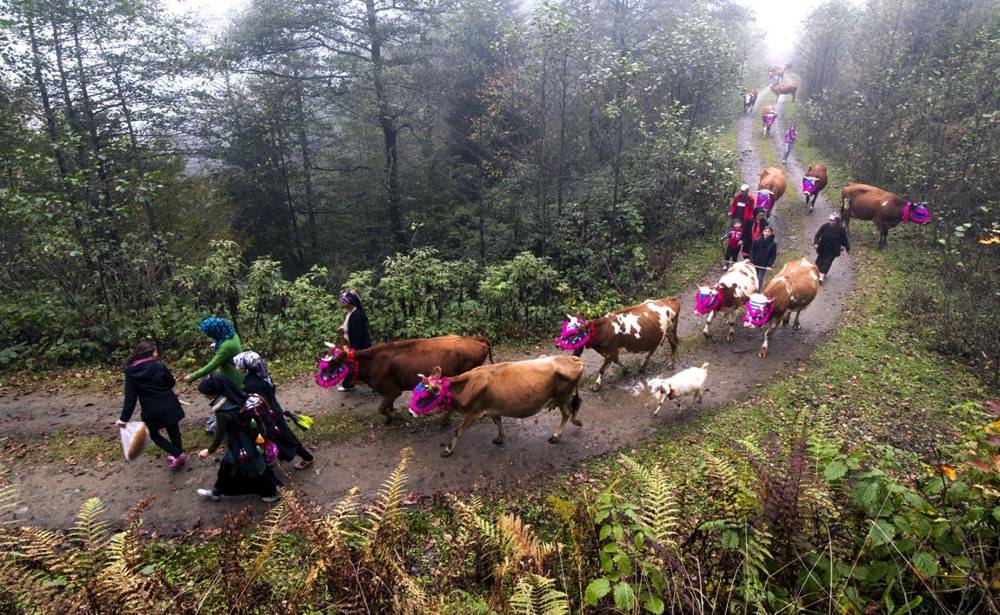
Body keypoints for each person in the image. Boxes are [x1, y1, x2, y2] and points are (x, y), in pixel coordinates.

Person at [195, 375, 281, 503]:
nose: (204, 396)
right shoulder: (239, 397)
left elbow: (219, 435)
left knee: (257, 469)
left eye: (205, 394)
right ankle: (216, 491)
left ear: (213, 393)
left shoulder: (223, 412)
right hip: (251, 440)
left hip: (241, 445)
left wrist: (208, 450)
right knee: (229, 466)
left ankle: (271, 493)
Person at [235, 351, 314, 470]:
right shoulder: (262, 375)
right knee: (284, 436)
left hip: (268, 414)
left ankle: (307, 457)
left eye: (238, 364)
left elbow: (257, 403)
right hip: (273, 408)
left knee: (285, 438)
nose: (236, 367)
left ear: (246, 366)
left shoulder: (251, 384)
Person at [117, 341, 187, 469]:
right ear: (150, 353)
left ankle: (178, 455)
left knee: (154, 434)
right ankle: (178, 454)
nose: (157, 354)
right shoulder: (159, 366)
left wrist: (124, 418)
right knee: (173, 429)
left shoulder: (131, 373)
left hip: (152, 410)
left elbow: (130, 399)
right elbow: (171, 382)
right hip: (170, 404)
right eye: (156, 351)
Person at [185, 317, 244, 387]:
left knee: (204, 388)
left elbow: (212, 365)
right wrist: (216, 344)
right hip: (235, 373)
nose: (208, 335)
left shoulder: (226, 347)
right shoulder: (233, 335)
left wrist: (192, 376)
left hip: (233, 380)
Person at [336, 290, 372, 392]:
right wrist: (343, 327)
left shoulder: (357, 316)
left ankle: (348, 385)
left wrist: (353, 351)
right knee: (361, 367)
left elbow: (358, 335)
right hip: (351, 344)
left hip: (358, 346)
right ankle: (350, 384)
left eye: (343, 302)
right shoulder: (350, 313)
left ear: (350, 302)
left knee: (353, 365)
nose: (342, 304)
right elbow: (350, 326)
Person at [814, 213, 851, 283]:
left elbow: (845, 240)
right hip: (823, 247)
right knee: (819, 262)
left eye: (833, 220)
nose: (831, 222)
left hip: (833, 249)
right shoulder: (825, 226)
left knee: (827, 262)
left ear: (837, 221)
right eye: (830, 220)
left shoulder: (841, 229)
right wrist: (816, 243)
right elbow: (817, 235)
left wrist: (848, 249)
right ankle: (816, 273)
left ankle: (821, 276)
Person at [729, 184, 757, 257]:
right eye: (741, 191)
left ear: (747, 191)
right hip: (736, 219)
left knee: (740, 236)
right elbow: (733, 206)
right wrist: (731, 212)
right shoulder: (737, 197)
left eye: (743, 191)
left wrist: (747, 219)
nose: (741, 192)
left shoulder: (751, 199)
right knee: (733, 234)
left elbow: (751, 210)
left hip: (744, 220)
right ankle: (730, 250)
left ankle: (737, 253)